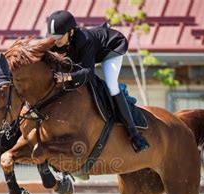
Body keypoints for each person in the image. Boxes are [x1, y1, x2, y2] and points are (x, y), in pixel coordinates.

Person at [46, 10, 149, 153]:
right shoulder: (55, 39)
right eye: (53, 36)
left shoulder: (84, 40)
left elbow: (88, 73)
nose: (55, 40)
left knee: (111, 85)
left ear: (70, 32)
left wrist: (67, 77)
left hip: (111, 47)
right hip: (91, 52)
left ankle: (134, 134)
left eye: (59, 37)